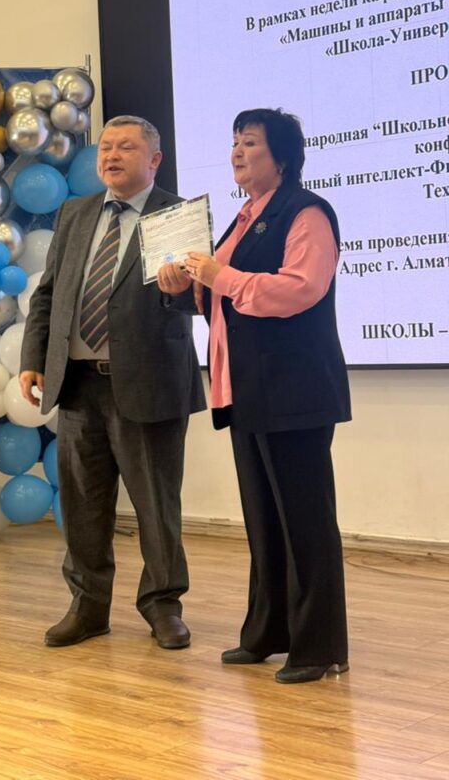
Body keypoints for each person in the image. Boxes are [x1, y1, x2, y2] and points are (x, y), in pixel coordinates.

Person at [158, 108, 351, 684]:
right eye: (234, 143)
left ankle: (320, 648)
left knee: (306, 521)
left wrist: (219, 277)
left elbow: (300, 289)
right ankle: (268, 632)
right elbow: (219, 299)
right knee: (264, 520)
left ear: (282, 157)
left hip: (294, 389)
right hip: (245, 389)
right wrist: (183, 289)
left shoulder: (307, 212)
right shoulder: (243, 218)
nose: (237, 153)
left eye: (250, 143)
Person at [19, 115, 206, 650]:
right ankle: (87, 606)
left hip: (149, 384)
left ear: (154, 159)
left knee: (156, 506)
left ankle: (162, 606)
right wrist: (34, 357)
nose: (111, 156)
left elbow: (199, 301)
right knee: (82, 505)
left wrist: (178, 290)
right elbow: (49, 293)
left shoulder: (176, 215)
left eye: (126, 147)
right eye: (105, 147)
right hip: (78, 385)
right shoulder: (76, 213)